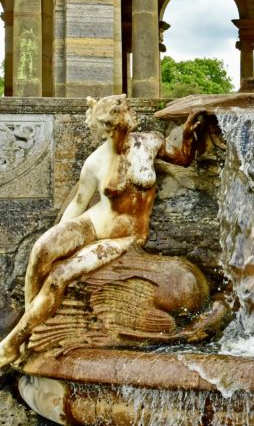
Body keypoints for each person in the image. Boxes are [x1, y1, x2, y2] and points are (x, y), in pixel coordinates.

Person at [0, 94, 206, 367]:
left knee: (60, 276)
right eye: (124, 110)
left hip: (125, 236)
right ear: (111, 124)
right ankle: (33, 318)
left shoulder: (149, 142)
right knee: (41, 250)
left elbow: (182, 158)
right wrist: (61, 232)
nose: (131, 113)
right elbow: (78, 202)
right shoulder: (96, 160)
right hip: (92, 223)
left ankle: (13, 343)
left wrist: (190, 136)